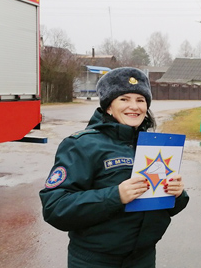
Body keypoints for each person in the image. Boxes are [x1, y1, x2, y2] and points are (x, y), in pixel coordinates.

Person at [40, 67, 189, 268]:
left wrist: (178, 194)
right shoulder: (81, 145)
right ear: (108, 106)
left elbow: (165, 207)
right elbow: (55, 207)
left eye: (140, 100)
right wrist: (115, 196)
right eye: (124, 99)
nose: (134, 107)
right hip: (95, 261)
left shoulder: (154, 145)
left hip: (142, 258)